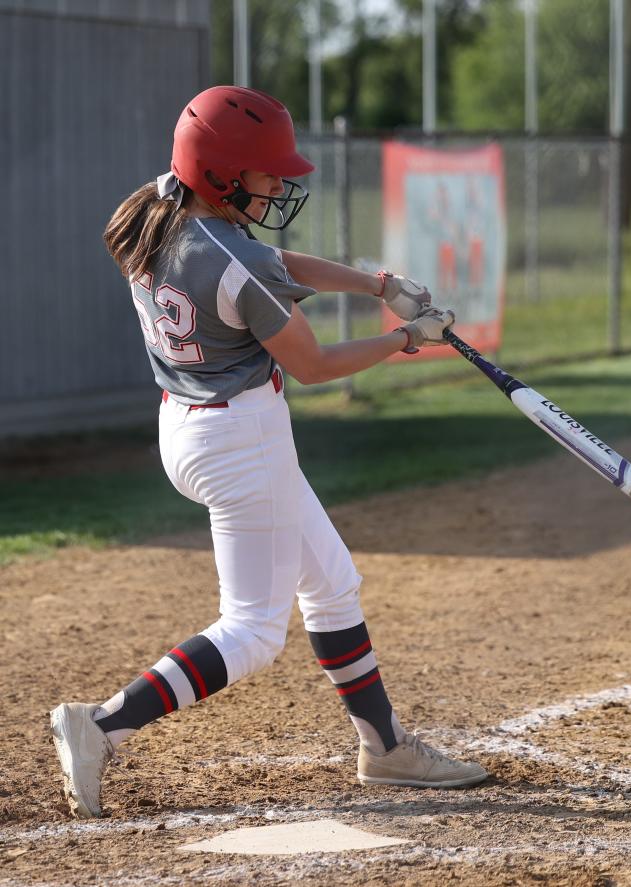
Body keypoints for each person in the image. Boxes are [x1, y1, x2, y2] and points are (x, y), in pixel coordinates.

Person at [48, 86, 487, 820]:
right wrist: (406, 339)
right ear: (222, 174)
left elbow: (266, 259)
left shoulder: (159, 211)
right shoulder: (229, 259)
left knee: (333, 582)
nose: (281, 183)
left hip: (191, 424)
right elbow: (311, 365)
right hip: (242, 438)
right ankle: (101, 724)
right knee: (252, 630)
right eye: (265, 172)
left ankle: (384, 747)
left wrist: (380, 285)